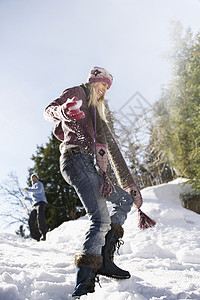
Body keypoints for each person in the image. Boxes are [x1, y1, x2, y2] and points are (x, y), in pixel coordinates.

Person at [44, 66, 156, 298]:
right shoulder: (77, 93)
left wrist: (130, 186)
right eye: (101, 83)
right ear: (92, 81)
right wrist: (65, 111)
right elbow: (49, 110)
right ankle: (83, 284)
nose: (103, 89)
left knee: (124, 201)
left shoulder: (97, 113)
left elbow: (113, 150)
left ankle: (104, 258)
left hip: (88, 166)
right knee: (100, 219)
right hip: (75, 160)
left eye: (107, 87)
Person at [23, 174, 48, 241]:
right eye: (32, 178)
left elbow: (38, 190)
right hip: (35, 205)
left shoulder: (39, 184)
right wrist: (27, 198)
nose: (33, 179)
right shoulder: (33, 187)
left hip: (41, 203)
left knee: (40, 217)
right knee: (31, 220)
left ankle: (44, 234)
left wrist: (28, 190)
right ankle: (36, 237)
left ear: (37, 178)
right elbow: (33, 199)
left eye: (34, 177)